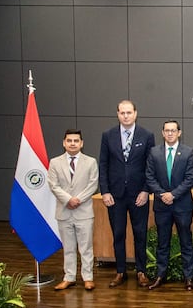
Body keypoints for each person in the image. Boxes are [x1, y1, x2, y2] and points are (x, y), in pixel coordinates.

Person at [99, 100, 155, 288]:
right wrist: (105, 191)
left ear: (135, 114)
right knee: (118, 234)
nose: (126, 115)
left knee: (140, 233)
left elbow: (151, 166)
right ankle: (120, 271)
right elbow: (103, 165)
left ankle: (141, 271)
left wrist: (146, 190)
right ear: (117, 114)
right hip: (115, 196)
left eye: (129, 112)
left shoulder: (147, 136)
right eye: (122, 112)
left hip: (139, 195)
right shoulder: (108, 136)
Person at [145, 121, 193, 291]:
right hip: (162, 205)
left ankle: (189, 277)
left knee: (186, 242)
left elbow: (190, 178)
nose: (170, 134)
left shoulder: (188, 152)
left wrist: (173, 194)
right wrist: (162, 194)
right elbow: (149, 177)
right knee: (162, 242)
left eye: (173, 131)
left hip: (182, 205)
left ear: (179, 133)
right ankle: (160, 276)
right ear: (162, 133)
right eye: (167, 131)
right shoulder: (154, 152)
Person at [48, 129, 99, 291]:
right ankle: (69, 277)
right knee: (68, 248)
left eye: (76, 141)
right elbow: (53, 185)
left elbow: (93, 184)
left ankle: (88, 277)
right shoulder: (54, 162)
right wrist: (68, 199)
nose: (72, 143)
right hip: (64, 211)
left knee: (86, 247)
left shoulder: (90, 162)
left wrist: (78, 199)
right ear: (64, 143)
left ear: (81, 143)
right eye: (69, 140)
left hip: (83, 211)